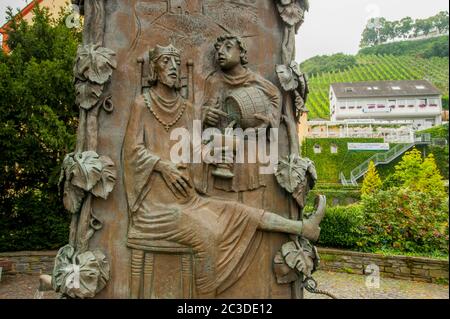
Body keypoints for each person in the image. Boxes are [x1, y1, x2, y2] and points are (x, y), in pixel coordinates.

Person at [123, 44, 325, 297]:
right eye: (166, 62)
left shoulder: (186, 109)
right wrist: (163, 166)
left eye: (176, 62)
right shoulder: (142, 105)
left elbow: (195, 151)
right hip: (155, 207)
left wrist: (220, 148)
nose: (173, 68)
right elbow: (132, 151)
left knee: (240, 212)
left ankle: (303, 228)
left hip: (186, 200)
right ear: (154, 69)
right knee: (206, 234)